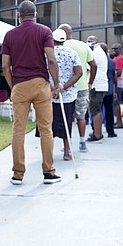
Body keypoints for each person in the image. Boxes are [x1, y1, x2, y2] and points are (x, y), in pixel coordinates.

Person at [2, 0, 62, 185]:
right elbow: (51, 60)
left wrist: (13, 86)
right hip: (40, 84)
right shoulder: (44, 31)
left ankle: (18, 174)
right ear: (35, 14)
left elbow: (5, 65)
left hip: (20, 85)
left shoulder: (10, 35)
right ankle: (49, 172)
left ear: (18, 16)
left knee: (18, 130)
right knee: (46, 130)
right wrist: (57, 83)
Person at [59, 23, 97, 152]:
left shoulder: (60, 45)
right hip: (82, 86)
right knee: (81, 115)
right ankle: (82, 141)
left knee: (67, 116)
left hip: (65, 87)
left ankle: (67, 146)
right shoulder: (83, 45)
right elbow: (93, 65)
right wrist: (90, 82)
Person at [48, 28, 82, 161]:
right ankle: (66, 152)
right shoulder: (72, 53)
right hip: (68, 95)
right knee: (66, 123)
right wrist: (63, 87)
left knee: (48, 125)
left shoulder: (47, 54)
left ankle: (48, 153)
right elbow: (78, 72)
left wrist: (53, 88)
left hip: (50, 95)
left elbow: (43, 72)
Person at [85, 36, 108, 142]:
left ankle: (97, 134)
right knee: (96, 110)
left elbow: (89, 67)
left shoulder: (96, 53)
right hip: (100, 85)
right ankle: (97, 131)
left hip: (96, 86)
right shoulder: (100, 52)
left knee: (95, 110)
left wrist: (89, 83)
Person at [101, 43, 118, 138]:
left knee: (97, 111)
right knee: (109, 111)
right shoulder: (111, 62)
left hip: (99, 89)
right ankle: (110, 131)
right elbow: (115, 76)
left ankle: (96, 130)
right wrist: (115, 89)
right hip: (109, 89)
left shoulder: (97, 61)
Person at [110, 43, 123, 129]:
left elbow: (118, 73)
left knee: (116, 103)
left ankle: (120, 123)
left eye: (116, 49)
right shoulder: (116, 58)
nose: (114, 50)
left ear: (119, 49)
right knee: (115, 103)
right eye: (113, 49)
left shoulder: (119, 59)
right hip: (116, 83)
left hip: (118, 84)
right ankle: (118, 121)